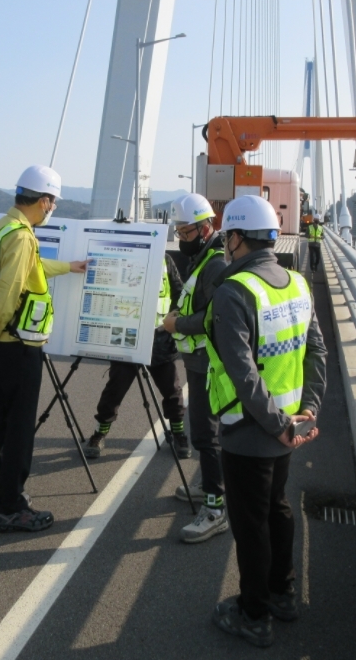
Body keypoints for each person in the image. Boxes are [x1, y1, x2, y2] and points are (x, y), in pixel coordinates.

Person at [205, 195, 327, 648]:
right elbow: (316, 350)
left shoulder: (234, 292)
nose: (225, 245)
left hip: (250, 433)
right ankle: (283, 593)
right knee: (277, 507)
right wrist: (307, 410)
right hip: (288, 427)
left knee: (250, 524)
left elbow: (243, 374)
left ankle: (254, 614)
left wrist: (277, 425)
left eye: (227, 237)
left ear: (237, 238)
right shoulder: (297, 284)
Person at [0, 165, 87, 533]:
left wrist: (68, 267)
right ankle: (12, 507)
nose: (51, 209)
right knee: (20, 430)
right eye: (52, 203)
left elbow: (29, 269)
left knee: (3, 423)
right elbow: (9, 291)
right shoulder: (23, 236)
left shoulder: (0, 228)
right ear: (42, 201)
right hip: (17, 345)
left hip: (1, 345)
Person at [161, 193, 230, 544]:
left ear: (206, 229)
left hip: (207, 362)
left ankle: (215, 509)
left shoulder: (214, 264)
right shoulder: (203, 258)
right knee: (205, 430)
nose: (181, 239)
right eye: (178, 232)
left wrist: (178, 324)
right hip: (199, 360)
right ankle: (209, 485)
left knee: (205, 434)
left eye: (186, 232)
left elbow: (215, 317)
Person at [85, 254, 191, 459]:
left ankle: (178, 433)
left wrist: (173, 324)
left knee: (171, 390)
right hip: (126, 337)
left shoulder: (165, 259)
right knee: (115, 390)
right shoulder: (122, 255)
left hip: (159, 339)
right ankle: (99, 434)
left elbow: (179, 294)